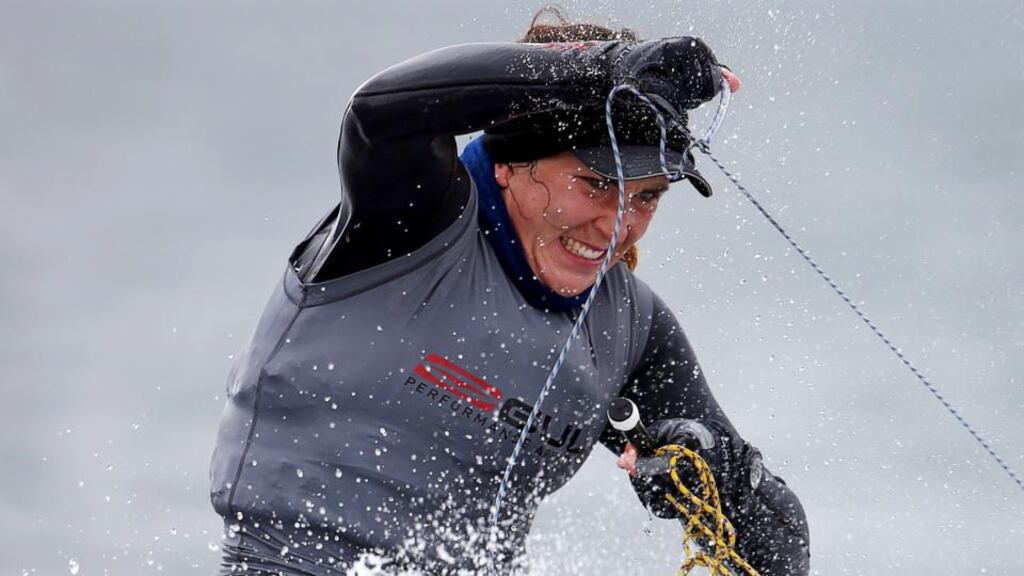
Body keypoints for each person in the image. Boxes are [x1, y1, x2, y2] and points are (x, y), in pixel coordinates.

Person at [210, 8, 809, 575]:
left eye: (647, 195)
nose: (617, 222)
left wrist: (715, 468)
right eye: (596, 183)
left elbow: (782, 557)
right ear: (509, 165)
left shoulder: (631, 329)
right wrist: (600, 69)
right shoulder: (409, 219)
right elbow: (378, 111)